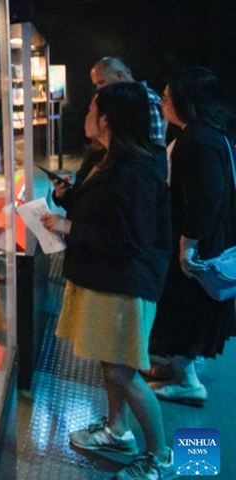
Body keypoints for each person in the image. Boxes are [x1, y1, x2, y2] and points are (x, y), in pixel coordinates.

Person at [41, 82, 173, 480]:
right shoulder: (107, 158)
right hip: (104, 279)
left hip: (124, 283)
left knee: (122, 371)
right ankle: (118, 431)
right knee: (108, 360)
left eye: (91, 108)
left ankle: (161, 456)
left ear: (108, 118)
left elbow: (129, 239)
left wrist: (69, 225)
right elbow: (104, 213)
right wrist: (69, 198)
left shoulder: (135, 170)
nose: (84, 116)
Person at [146, 66, 236, 405]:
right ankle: (176, 367)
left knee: (183, 308)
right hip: (210, 239)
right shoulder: (214, 135)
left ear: (185, 100)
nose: (163, 103)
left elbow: (205, 196)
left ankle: (188, 381)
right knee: (184, 307)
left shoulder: (195, 139)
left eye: (167, 98)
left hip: (197, 244)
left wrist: (188, 243)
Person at [91, 57, 166, 147]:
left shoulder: (146, 98)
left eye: (101, 82)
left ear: (119, 75)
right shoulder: (129, 100)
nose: (99, 89)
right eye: (96, 85)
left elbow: (156, 143)